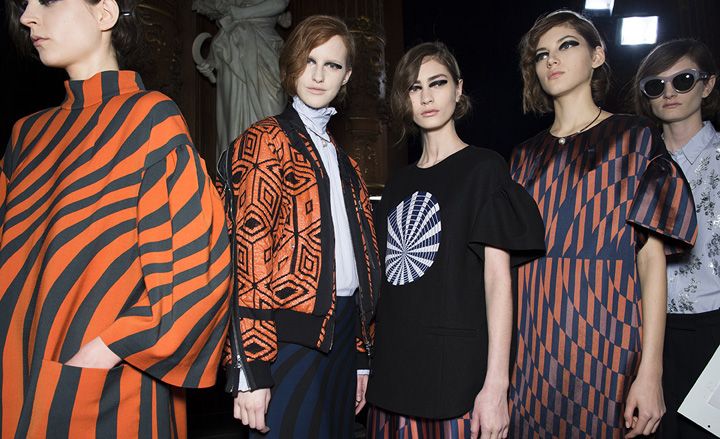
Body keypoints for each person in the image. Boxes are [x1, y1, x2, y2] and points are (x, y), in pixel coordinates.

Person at [0, 0, 231, 438]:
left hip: (108, 389)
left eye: (46, 1)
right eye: (25, 5)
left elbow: (197, 265)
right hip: (15, 374)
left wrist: (107, 351)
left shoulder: (150, 118)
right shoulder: (25, 134)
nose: (28, 16)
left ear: (105, 14)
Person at [508, 10, 698, 439]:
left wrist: (650, 371)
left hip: (608, 340)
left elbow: (652, 263)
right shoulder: (522, 156)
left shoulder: (636, 137)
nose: (552, 59)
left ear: (597, 55)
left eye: (567, 45)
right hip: (532, 342)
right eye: (541, 54)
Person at [364, 42, 545, 439]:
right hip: (393, 371)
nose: (427, 97)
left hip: (455, 376)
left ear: (458, 90)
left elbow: (499, 283)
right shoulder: (397, 184)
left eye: (438, 83)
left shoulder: (483, 169)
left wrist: (497, 385)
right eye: (414, 87)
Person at [219, 15, 380, 438]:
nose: (318, 74)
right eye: (310, 60)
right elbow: (246, 256)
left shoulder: (347, 164)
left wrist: (362, 354)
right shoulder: (264, 140)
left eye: (332, 65)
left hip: (343, 335)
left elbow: (361, 267)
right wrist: (250, 367)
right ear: (292, 65)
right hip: (285, 341)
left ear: (346, 77)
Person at [633, 38, 720, 439]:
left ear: (707, 85)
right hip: (640, 332)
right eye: (656, 85)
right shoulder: (634, 165)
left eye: (683, 80)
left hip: (710, 334)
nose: (669, 93)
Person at [192, 0, 289, 156]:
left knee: (272, 113)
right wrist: (211, 61)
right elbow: (224, 30)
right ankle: (236, 169)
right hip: (232, 49)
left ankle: (269, 165)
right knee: (233, 118)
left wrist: (239, 13)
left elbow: (279, 3)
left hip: (264, 49)